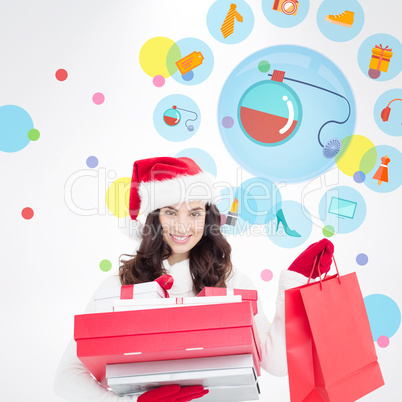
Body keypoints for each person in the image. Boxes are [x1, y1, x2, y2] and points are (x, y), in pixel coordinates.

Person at [54, 156, 334, 402]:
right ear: (154, 218)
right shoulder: (120, 285)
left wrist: (292, 290)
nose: (182, 226)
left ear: (208, 218)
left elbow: (275, 363)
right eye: (170, 211)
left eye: (195, 213)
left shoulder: (232, 281)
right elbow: (66, 377)